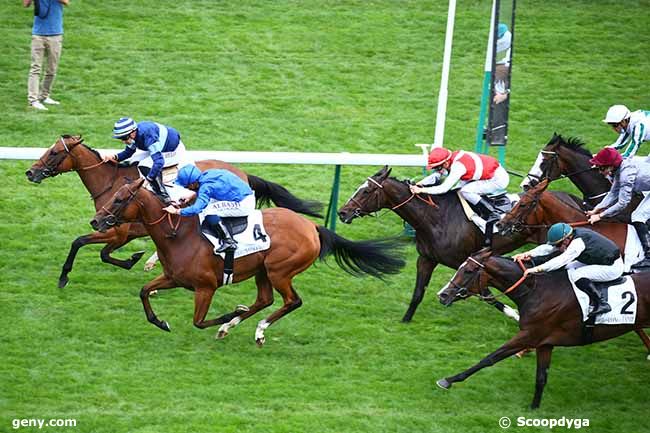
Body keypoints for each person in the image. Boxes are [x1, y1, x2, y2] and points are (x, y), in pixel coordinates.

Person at [513, 222, 623, 320]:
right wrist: (527, 254)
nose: (557, 247)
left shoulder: (577, 244)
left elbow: (561, 260)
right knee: (567, 269)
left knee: (577, 275)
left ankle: (601, 303)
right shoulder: (570, 237)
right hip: (596, 260)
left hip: (612, 267)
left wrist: (537, 269)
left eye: (559, 244)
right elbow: (548, 248)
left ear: (566, 239)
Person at [163, 165, 256, 253]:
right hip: (245, 194)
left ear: (192, 184)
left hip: (243, 204)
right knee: (210, 204)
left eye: (186, 186)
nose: (187, 188)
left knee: (209, 210)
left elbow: (197, 209)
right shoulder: (208, 174)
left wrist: (177, 211)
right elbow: (209, 189)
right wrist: (192, 196)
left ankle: (228, 241)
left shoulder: (205, 187)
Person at [586, 147, 650, 267]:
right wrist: (597, 208)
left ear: (611, 165)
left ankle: (649, 256)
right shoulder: (619, 168)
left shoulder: (625, 174)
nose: (600, 171)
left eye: (602, 168)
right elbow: (613, 193)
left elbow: (622, 203)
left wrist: (600, 216)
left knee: (638, 216)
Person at [104, 117, 190, 204]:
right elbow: (128, 153)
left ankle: (163, 195)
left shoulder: (148, 136)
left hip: (172, 150)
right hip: (161, 147)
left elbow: (159, 162)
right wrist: (114, 157)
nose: (123, 141)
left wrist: (148, 179)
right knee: (133, 161)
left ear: (133, 133)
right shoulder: (134, 135)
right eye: (121, 138)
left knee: (144, 164)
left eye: (124, 138)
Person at [410, 147, 509, 222]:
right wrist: (420, 184)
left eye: (438, 167)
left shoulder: (458, 167)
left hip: (497, 180)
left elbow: (443, 188)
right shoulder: (449, 159)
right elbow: (437, 175)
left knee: (466, 191)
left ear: (445, 164)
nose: (437, 170)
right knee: (456, 191)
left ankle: (492, 213)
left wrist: (422, 190)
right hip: (482, 174)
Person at [24, 0, 70, 111]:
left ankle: (44, 96)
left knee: (52, 69)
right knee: (35, 68)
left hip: (55, 34)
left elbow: (66, 2)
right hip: (38, 35)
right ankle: (33, 100)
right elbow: (26, 4)